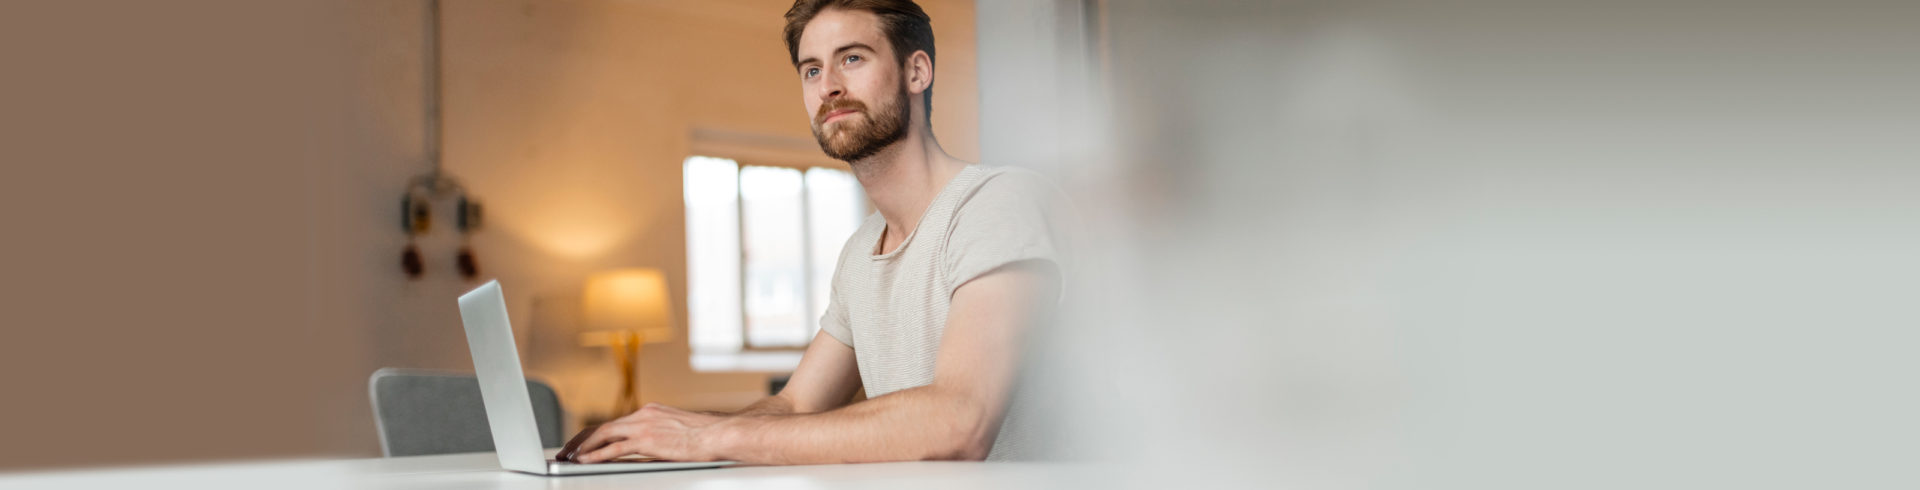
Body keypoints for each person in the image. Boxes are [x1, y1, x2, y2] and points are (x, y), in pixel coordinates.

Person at [560, 0, 1068, 464]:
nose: (828, 86)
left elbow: (961, 420)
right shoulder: (859, 253)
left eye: (852, 59)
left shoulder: (999, 202)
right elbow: (795, 404)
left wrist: (708, 439)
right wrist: (668, 435)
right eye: (811, 69)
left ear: (916, 71)